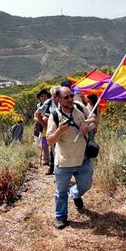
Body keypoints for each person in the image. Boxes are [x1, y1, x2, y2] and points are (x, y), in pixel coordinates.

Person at [47, 86, 94, 229]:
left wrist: (87, 123)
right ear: (58, 99)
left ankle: (75, 193)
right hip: (64, 161)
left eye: (71, 96)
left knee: (86, 184)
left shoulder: (79, 107)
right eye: (66, 97)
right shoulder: (54, 116)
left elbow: (94, 119)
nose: (70, 99)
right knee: (61, 192)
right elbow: (49, 141)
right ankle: (60, 217)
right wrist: (60, 131)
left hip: (83, 158)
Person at [34, 86, 61, 175]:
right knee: (48, 145)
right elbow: (37, 114)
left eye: (45, 96)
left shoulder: (64, 101)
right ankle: (52, 166)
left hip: (63, 130)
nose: (44, 97)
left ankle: (56, 167)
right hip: (49, 129)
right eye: (42, 96)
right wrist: (44, 123)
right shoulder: (47, 103)